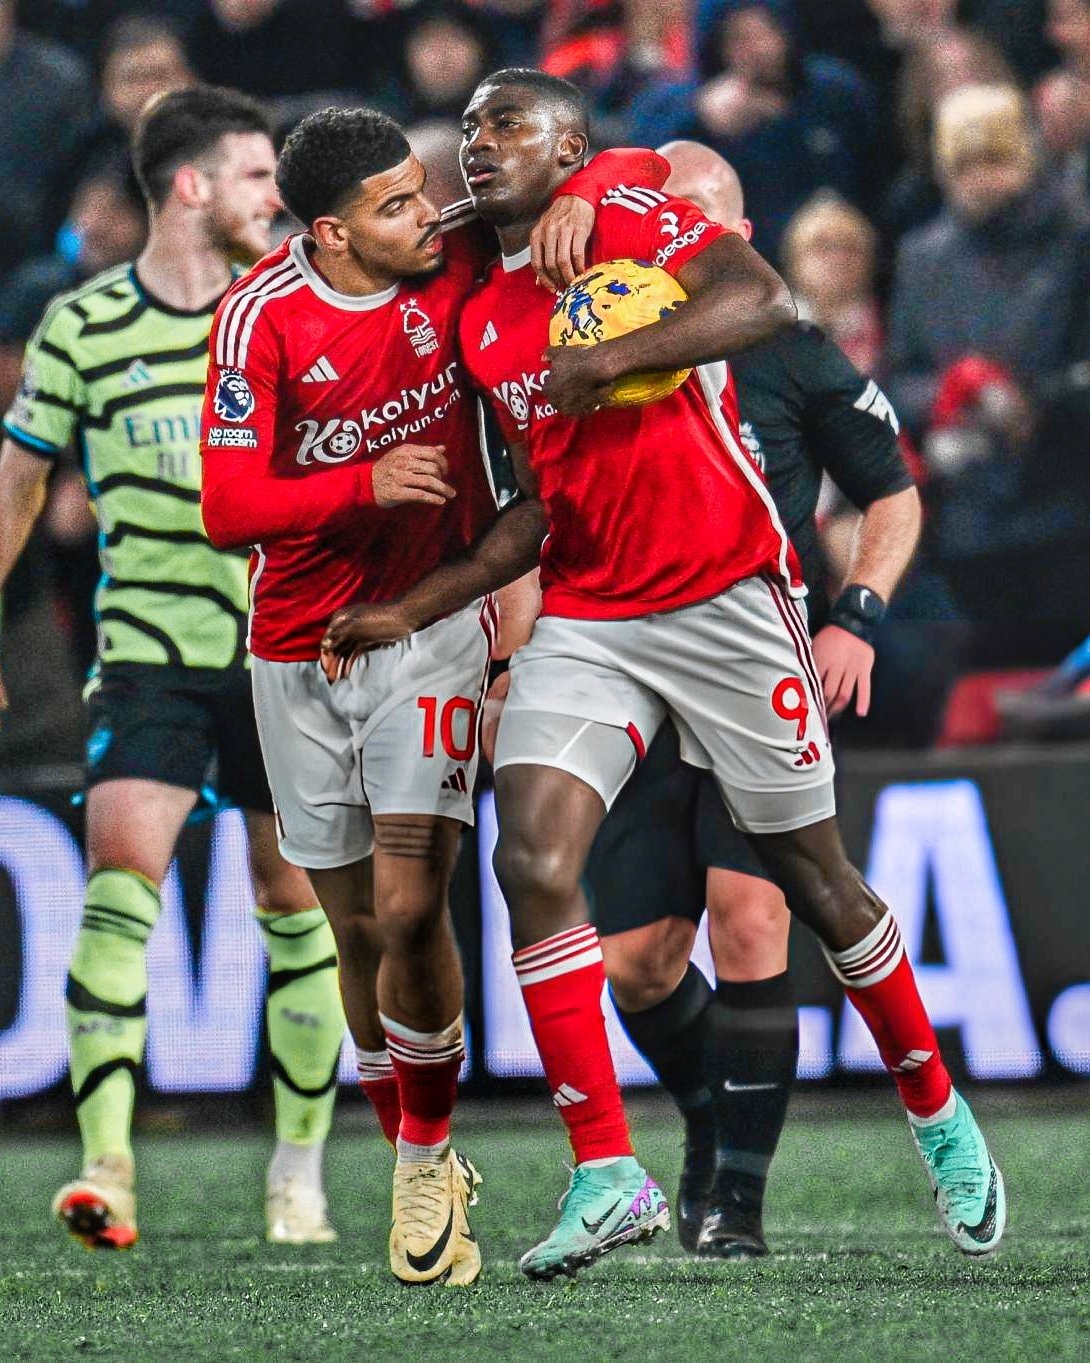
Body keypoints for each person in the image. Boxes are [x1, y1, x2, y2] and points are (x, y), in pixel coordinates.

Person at [324, 67, 1008, 1275]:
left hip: (729, 601)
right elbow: (531, 512)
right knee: (529, 858)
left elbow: (763, 296)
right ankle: (605, 1169)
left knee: (817, 884)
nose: (479, 146)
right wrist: (421, 606)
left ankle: (936, 1109)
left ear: (574, 145)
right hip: (589, 618)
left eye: (507, 125)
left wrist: (615, 338)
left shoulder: (628, 204)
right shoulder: (483, 319)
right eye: (469, 131)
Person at [198, 103, 664, 1286]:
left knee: (414, 908)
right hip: (298, 646)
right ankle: (412, 1134)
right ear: (331, 232)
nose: (428, 212)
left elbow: (626, 161)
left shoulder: (448, 249)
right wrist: (359, 483)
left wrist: (573, 193)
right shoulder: (257, 319)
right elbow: (229, 507)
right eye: (396, 203)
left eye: (424, 189)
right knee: (350, 925)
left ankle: (425, 1148)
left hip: (432, 628)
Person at [485, 139, 920, 1258]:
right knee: (634, 957)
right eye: (658, 208)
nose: (669, 227)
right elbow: (540, 508)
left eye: (700, 218)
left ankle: (736, 1195)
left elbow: (890, 492)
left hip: (743, 644)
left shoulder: (786, 345)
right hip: (620, 652)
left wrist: (854, 612)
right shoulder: (570, 324)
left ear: (735, 238)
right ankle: (705, 1118)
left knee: (753, 914)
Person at [0, 86, 347, 1252]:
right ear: (193, 187)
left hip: (285, 652)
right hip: (148, 656)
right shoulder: (83, 325)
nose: (275, 199)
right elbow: (17, 483)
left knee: (293, 907)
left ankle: (298, 1175)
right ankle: (108, 1165)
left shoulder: (297, 316)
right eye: (257, 176)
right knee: (116, 889)